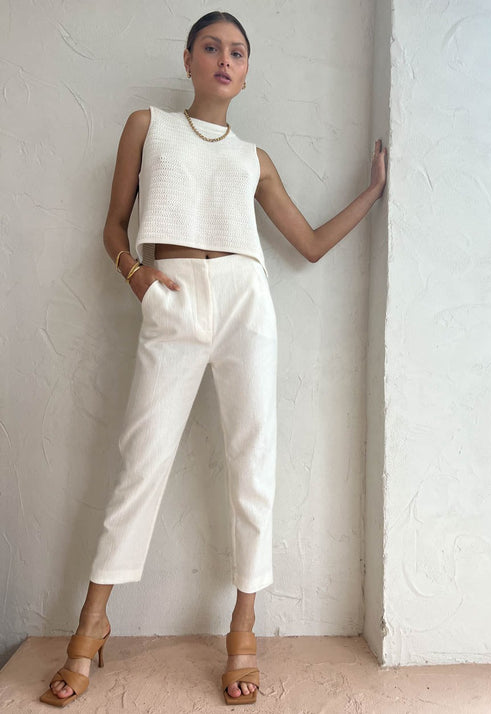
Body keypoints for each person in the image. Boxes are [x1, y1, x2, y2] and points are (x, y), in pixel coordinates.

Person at [39, 10, 387, 708]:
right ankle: (92, 622)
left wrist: (372, 193)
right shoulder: (148, 126)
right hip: (170, 296)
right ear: (189, 59)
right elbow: (112, 225)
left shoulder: (254, 158)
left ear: (246, 73)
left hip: (243, 302)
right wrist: (137, 278)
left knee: (253, 463)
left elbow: (309, 244)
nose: (225, 60)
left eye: (238, 52)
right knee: (141, 462)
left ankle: (243, 628)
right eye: (211, 47)